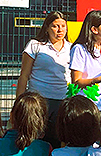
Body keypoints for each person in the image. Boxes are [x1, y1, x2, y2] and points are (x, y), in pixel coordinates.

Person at [16, 11, 71, 147]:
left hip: (62, 100)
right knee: (35, 139)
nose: (60, 30)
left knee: (58, 140)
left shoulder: (72, 48)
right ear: (47, 28)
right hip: (38, 100)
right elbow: (24, 75)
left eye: (63, 26)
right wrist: (18, 103)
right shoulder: (35, 45)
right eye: (55, 26)